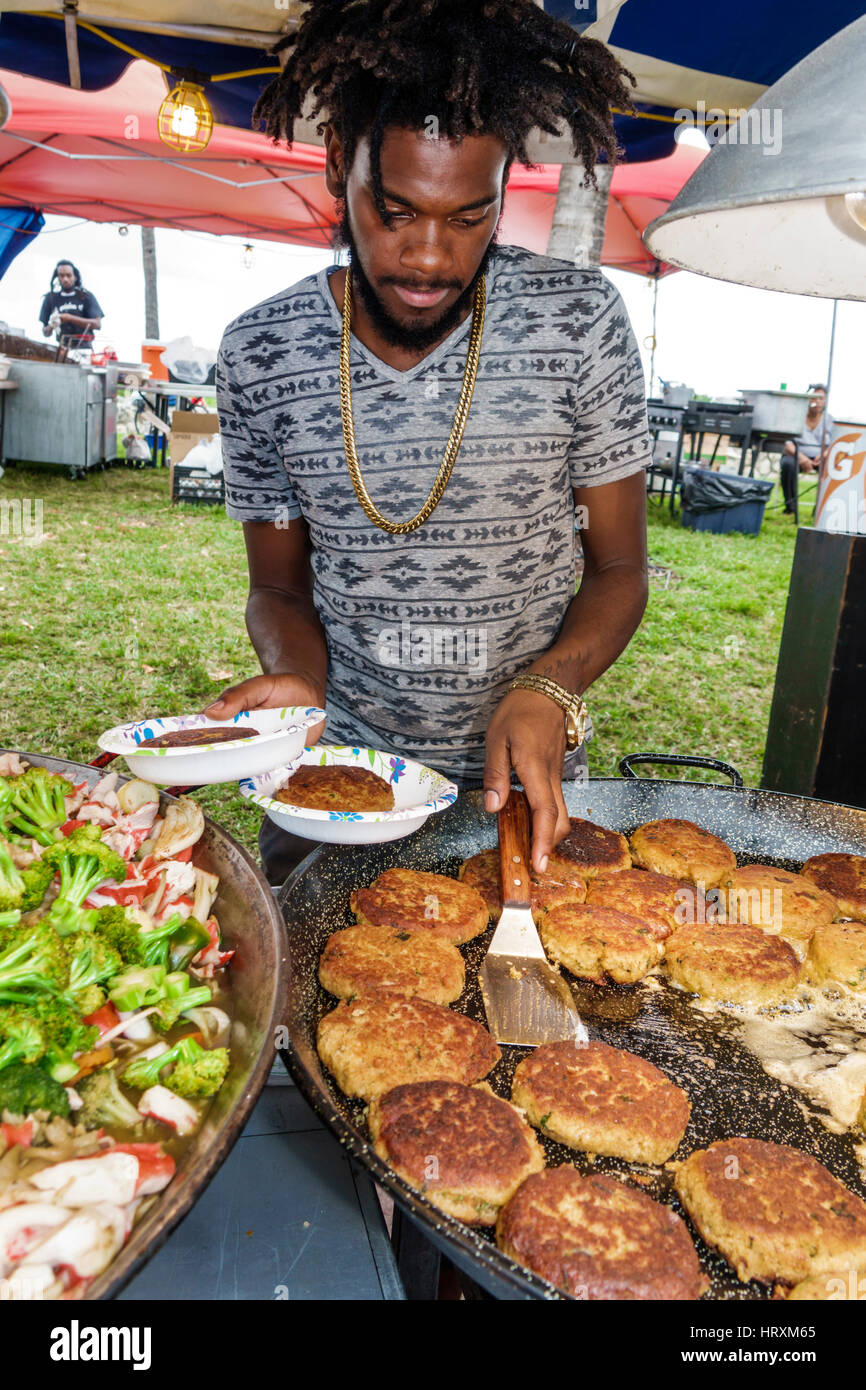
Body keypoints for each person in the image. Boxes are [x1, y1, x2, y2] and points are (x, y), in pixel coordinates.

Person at [207, 0, 651, 884]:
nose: (429, 258)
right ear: (341, 163)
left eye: (467, 218)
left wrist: (550, 689)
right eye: (396, 209)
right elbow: (278, 586)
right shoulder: (260, 351)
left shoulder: (579, 322)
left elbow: (617, 571)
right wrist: (299, 683)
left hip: (517, 787)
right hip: (340, 783)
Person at [780, 384, 834, 515]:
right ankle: (790, 507)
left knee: (832, 468)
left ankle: (819, 510)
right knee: (787, 465)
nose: (817, 401)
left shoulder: (829, 420)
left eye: (821, 398)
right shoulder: (797, 416)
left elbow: (833, 443)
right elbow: (787, 443)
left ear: (825, 401)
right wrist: (801, 458)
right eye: (814, 397)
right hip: (796, 455)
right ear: (808, 399)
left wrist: (824, 454)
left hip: (820, 458)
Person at [39, 260, 104, 351]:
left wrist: (69, 318)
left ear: (75, 277)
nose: (65, 279)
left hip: (85, 349)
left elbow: (97, 324)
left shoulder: (86, 297)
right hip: (62, 348)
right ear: (57, 277)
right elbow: (46, 333)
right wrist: (52, 325)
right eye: (61, 276)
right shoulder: (50, 298)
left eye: (68, 275)